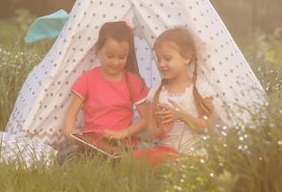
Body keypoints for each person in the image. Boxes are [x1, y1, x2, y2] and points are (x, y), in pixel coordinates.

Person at [136, 27, 215, 164]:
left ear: (186, 58)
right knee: (139, 156)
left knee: (167, 160)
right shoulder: (156, 94)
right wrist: (162, 131)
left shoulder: (199, 89)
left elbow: (206, 127)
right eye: (159, 59)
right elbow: (151, 131)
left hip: (192, 154)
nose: (161, 64)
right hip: (165, 151)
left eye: (167, 58)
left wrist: (181, 115)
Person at [63, 21, 148, 147]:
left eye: (122, 57)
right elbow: (71, 115)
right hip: (92, 145)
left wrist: (124, 133)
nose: (115, 62)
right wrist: (70, 133)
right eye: (110, 56)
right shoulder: (87, 79)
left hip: (122, 146)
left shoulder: (133, 81)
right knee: (66, 157)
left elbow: (146, 119)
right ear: (99, 50)